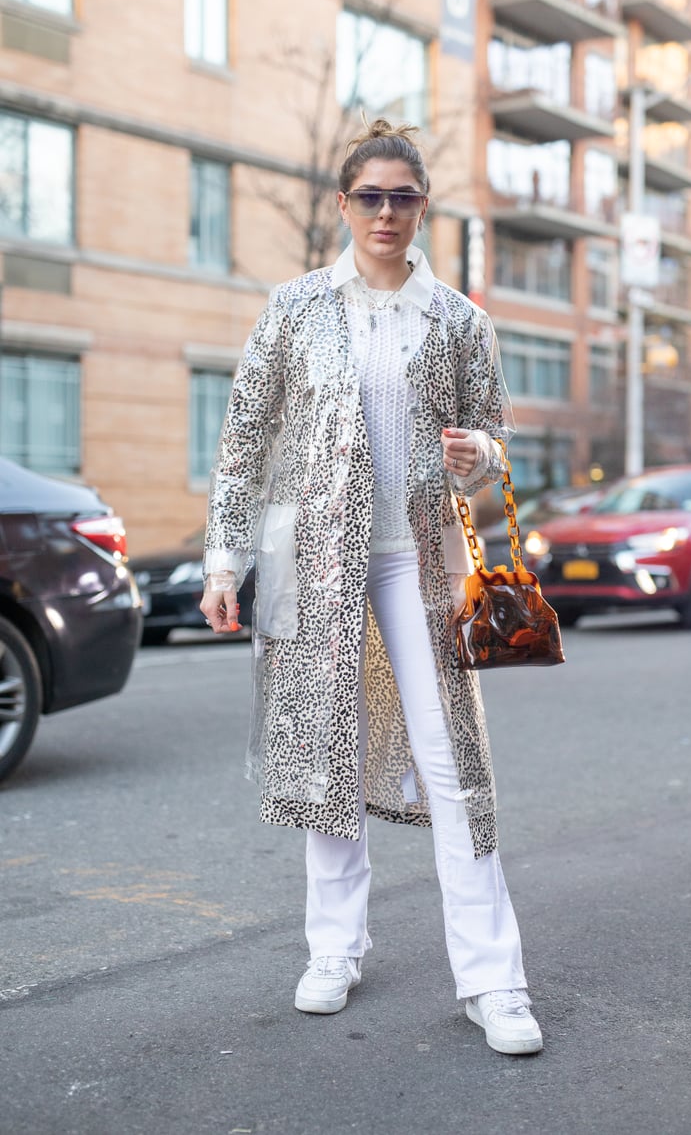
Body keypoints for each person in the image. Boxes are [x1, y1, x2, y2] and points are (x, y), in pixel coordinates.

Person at [200, 118, 542, 1056]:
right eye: (369, 196)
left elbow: (496, 449)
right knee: (328, 753)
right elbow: (241, 445)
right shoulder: (295, 308)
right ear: (343, 203)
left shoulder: (462, 321)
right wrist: (223, 561)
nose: (386, 213)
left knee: (453, 764)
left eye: (402, 197)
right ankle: (333, 950)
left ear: (422, 206)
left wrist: (482, 454)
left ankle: (493, 979)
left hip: (424, 564)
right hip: (319, 561)